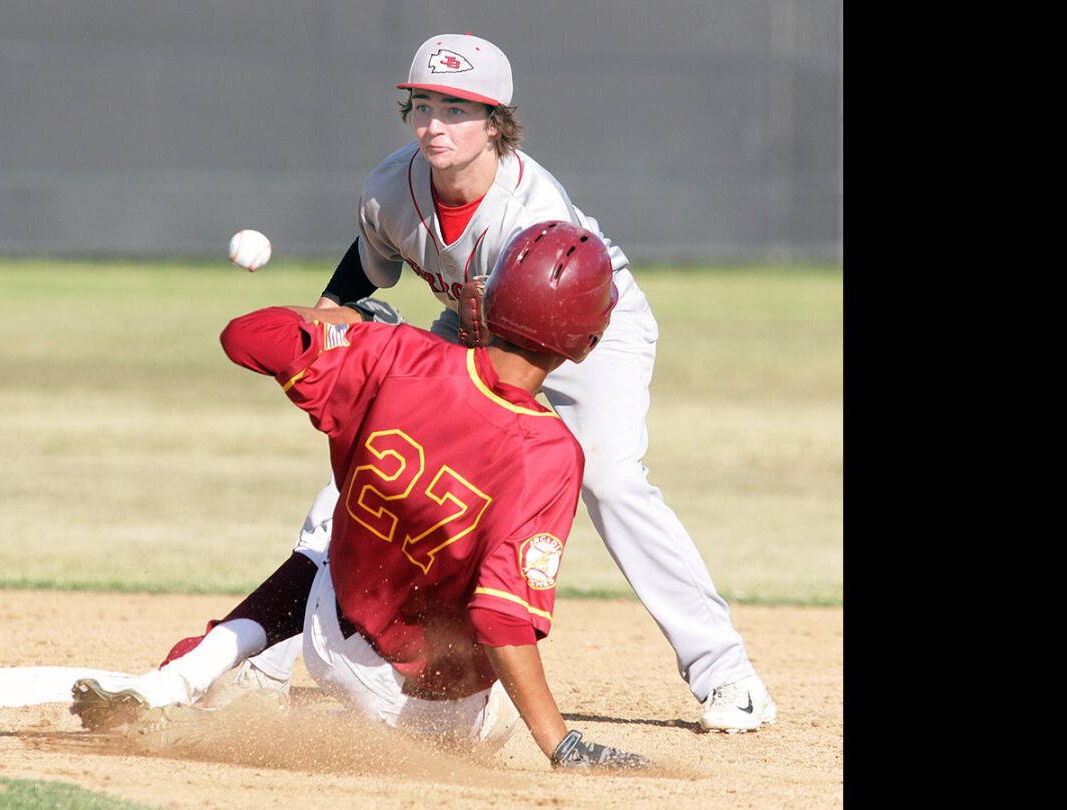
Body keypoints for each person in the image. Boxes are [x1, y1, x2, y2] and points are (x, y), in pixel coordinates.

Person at [189, 31, 775, 732]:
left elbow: (528, 335)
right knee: (375, 464)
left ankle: (727, 675)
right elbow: (364, 271)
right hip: (481, 326)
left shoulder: (530, 212)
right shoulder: (390, 186)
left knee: (610, 479)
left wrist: (400, 367)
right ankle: (264, 657)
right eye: (424, 105)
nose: (436, 124)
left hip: (586, 321)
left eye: (459, 109)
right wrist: (334, 320)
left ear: (497, 122)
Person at [74, 222, 648, 770]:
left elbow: (246, 336)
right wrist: (561, 744)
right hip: (439, 712)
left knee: (336, 513)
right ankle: (226, 705)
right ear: (586, 342)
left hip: (335, 637)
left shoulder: (396, 354)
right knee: (484, 693)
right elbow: (500, 618)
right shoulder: (549, 453)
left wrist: (346, 322)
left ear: (488, 298)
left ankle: (192, 674)